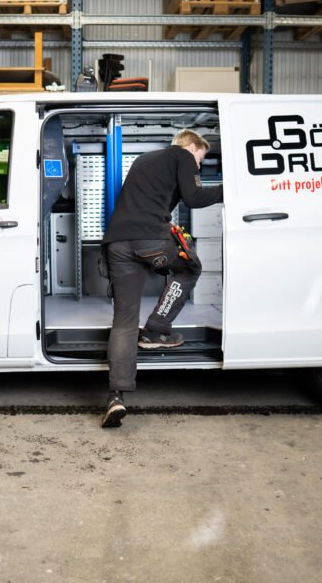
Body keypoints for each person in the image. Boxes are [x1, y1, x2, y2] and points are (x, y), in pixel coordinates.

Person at [99, 129, 224, 428]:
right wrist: (227, 189)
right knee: (189, 268)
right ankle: (156, 329)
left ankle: (116, 397)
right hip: (149, 242)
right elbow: (194, 198)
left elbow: (157, 202)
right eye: (200, 159)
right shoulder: (182, 156)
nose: (198, 165)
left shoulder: (144, 160)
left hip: (117, 244)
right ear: (192, 146)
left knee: (124, 321)